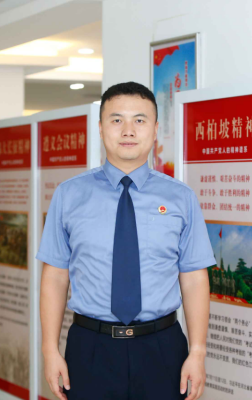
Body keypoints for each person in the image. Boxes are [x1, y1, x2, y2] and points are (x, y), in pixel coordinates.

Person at [37, 82, 215, 400]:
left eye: (140, 120)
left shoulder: (180, 198)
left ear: (155, 129)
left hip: (162, 347)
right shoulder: (69, 195)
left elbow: (193, 278)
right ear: (100, 127)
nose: (128, 130)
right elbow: (55, 277)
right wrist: (50, 349)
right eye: (117, 119)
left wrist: (198, 351)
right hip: (90, 346)